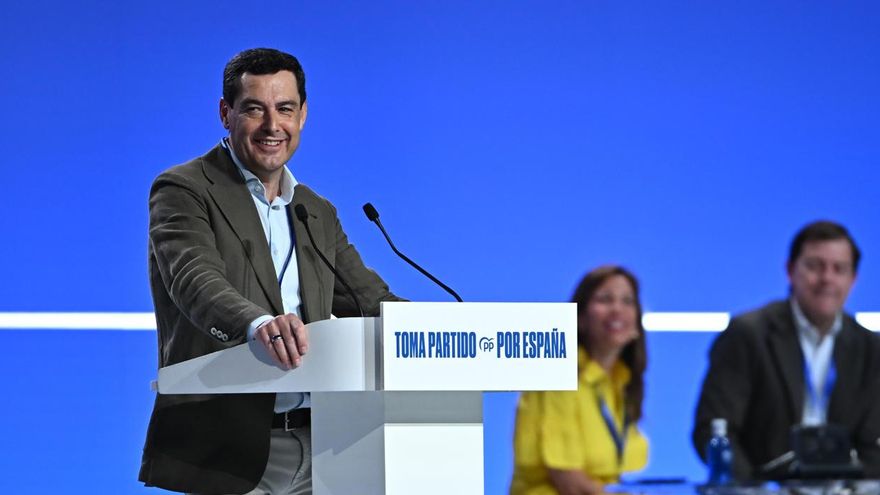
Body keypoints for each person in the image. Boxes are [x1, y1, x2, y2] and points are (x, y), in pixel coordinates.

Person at [139, 48, 402, 494]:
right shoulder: (184, 189)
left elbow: (370, 300)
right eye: (254, 109)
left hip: (328, 445)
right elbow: (195, 279)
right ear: (226, 114)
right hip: (229, 449)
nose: (272, 126)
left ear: (303, 115)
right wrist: (258, 324)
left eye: (285, 109)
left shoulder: (315, 210)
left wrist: (441, 330)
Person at [692, 220, 880, 480]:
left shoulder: (871, 349)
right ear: (790, 270)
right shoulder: (748, 335)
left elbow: (874, 446)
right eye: (815, 266)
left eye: (839, 269)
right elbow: (713, 430)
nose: (827, 278)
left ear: (853, 279)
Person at [510, 265, 649, 495]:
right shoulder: (558, 373)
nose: (617, 309)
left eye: (627, 301)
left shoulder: (620, 381)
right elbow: (568, 481)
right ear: (580, 317)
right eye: (605, 299)